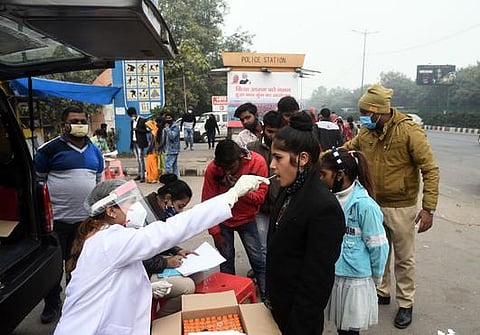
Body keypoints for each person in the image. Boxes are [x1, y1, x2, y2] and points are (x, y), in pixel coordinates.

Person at [53, 176, 269, 335]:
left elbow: (113, 280)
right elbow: (169, 230)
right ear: (110, 211)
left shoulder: (105, 237)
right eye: (128, 202)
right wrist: (230, 196)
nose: (135, 207)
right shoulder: (110, 240)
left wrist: (147, 288)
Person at [343, 84, 440, 329]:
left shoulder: (409, 132)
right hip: (374, 204)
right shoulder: (366, 133)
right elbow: (347, 150)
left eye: (366, 112)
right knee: (379, 251)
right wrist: (322, 156)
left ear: (377, 111)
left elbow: (430, 169)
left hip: (402, 206)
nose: (363, 117)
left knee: (404, 258)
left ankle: (406, 303)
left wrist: (428, 208)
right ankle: (382, 291)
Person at [266, 111, 345, 335]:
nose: (272, 165)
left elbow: (317, 281)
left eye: (278, 158)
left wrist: (298, 326)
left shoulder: (324, 207)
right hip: (278, 304)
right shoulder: (287, 190)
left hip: (299, 319)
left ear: (302, 158)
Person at [35, 105, 104, 324]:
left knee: (80, 267)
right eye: (75, 121)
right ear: (63, 124)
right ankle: (52, 303)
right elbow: (38, 184)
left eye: (83, 121)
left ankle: (77, 304)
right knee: (54, 268)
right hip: (56, 222)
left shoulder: (95, 152)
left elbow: (98, 184)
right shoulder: (48, 150)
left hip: (84, 222)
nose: (80, 125)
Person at [320, 147, 389, 335]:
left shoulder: (365, 206)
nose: (321, 178)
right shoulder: (329, 199)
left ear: (340, 175)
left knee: (349, 331)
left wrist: (376, 277)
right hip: (335, 276)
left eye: (323, 174)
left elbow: (379, 246)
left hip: (355, 281)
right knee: (341, 327)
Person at [201, 139, 268, 300]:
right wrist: (215, 233)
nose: (227, 174)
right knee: (226, 262)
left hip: (247, 218)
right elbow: (208, 201)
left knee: (258, 261)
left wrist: (239, 189)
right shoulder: (213, 169)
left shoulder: (257, 163)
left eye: (231, 168)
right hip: (223, 220)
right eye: (223, 170)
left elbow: (260, 198)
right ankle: (230, 299)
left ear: (241, 157)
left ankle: (267, 296)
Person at [142, 174, 197, 317]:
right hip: (141, 273)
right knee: (188, 287)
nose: (180, 211)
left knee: (197, 273)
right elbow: (139, 258)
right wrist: (166, 262)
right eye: (180, 206)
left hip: (154, 262)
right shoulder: (143, 216)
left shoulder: (158, 210)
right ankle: (161, 323)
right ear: (167, 198)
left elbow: (161, 240)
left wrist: (178, 250)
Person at [246, 110, 283, 258]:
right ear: (262, 127)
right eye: (269, 131)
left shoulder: (286, 149)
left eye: (277, 132)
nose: (273, 136)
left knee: (280, 244)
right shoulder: (252, 148)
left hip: (280, 207)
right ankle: (263, 275)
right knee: (262, 246)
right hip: (259, 208)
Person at [127, 107, 148, 182]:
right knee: (137, 159)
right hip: (134, 142)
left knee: (140, 159)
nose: (131, 117)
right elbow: (131, 132)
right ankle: (139, 174)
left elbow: (146, 131)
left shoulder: (142, 120)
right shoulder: (132, 122)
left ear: (135, 113)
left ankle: (143, 176)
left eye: (132, 115)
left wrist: (138, 129)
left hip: (140, 142)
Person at [164, 112, 181, 177]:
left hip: (173, 149)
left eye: (169, 118)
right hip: (169, 149)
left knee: (168, 166)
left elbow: (172, 136)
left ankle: (170, 180)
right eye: (166, 118)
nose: (168, 119)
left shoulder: (175, 126)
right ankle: (176, 180)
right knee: (174, 167)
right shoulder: (168, 126)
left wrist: (167, 129)